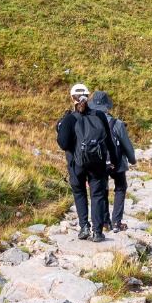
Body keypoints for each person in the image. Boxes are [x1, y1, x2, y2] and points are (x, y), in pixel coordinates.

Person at [92, 90, 139, 232]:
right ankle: (117, 222)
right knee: (120, 187)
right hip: (117, 162)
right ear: (107, 106)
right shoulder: (117, 123)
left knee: (102, 189)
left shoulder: (91, 121)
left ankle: (105, 222)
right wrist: (132, 160)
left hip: (98, 162)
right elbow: (126, 144)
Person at [54, 83, 94, 238]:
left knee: (79, 193)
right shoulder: (96, 115)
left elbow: (63, 144)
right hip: (95, 162)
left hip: (75, 163)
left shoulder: (69, 119)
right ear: (88, 96)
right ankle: (99, 227)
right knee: (96, 193)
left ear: (72, 98)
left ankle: (84, 226)